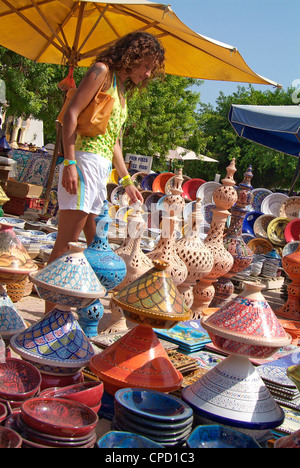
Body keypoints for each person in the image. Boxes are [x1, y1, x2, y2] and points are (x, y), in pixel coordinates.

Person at [45, 32, 165, 312]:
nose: (148, 73)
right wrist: (70, 162)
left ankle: (76, 311)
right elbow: (71, 114)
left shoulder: (120, 89)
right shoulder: (101, 71)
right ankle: (47, 319)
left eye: (151, 68)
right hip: (83, 161)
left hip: (99, 168)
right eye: (146, 65)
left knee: (93, 249)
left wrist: (126, 180)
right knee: (66, 246)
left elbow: (113, 142)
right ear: (133, 56)